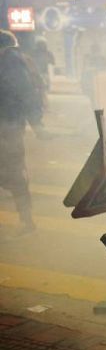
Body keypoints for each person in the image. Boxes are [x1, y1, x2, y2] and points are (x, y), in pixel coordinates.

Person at [0, 30, 47, 236]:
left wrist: (36, 124)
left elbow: (25, 92)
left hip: (8, 125)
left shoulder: (11, 62)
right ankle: (26, 219)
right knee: (12, 170)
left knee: (13, 170)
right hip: (9, 124)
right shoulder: (14, 60)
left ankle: (27, 221)